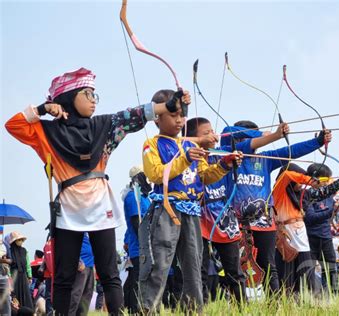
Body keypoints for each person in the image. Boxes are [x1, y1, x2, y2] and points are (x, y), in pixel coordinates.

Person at [4, 68, 191, 314]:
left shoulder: (104, 125)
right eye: (87, 94)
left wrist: (168, 105)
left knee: (109, 272)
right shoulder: (45, 131)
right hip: (68, 210)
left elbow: (134, 115)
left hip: (100, 205)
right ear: (69, 97)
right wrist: (41, 110)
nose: (93, 100)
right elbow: (13, 125)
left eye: (95, 95)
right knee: (64, 275)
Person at [139, 89, 242, 312]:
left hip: (192, 210)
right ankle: (148, 309)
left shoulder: (191, 145)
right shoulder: (152, 144)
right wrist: (184, 160)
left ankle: (194, 309)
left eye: (182, 115)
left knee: (194, 263)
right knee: (160, 262)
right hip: (168, 209)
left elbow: (204, 176)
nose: (179, 120)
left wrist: (225, 164)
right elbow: (156, 174)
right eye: (173, 115)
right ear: (157, 117)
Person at [220, 121, 332, 295]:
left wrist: (317, 142)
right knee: (235, 267)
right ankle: (238, 304)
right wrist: (263, 135)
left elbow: (291, 152)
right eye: (247, 137)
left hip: (263, 221)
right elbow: (227, 134)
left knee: (268, 266)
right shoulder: (227, 156)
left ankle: (275, 306)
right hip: (233, 221)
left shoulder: (265, 159)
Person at [185, 117, 289, 303]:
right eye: (206, 132)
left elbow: (287, 152)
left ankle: (246, 306)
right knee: (198, 268)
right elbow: (228, 130)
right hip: (198, 218)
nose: (213, 135)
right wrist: (263, 133)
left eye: (212, 131)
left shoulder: (223, 152)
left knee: (236, 270)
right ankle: (200, 308)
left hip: (225, 220)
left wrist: (317, 141)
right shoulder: (187, 153)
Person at [273, 163, 339, 294]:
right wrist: (309, 179)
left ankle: (307, 299)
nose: (301, 184)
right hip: (286, 232)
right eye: (298, 180)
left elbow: (322, 192)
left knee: (305, 269)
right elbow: (286, 174)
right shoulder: (280, 189)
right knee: (287, 271)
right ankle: (287, 300)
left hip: (300, 233)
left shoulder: (302, 194)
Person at [122, 165, 151, 313]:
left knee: (144, 282)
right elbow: (136, 223)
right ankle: (134, 310)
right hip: (139, 247)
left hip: (147, 246)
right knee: (138, 282)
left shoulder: (144, 197)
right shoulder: (133, 196)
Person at [69, 234, 95, 315]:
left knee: (87, 296)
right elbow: (70, 243)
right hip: (81, 266)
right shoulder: (77, 226)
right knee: (76, 295)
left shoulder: (89, 230)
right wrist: (78, 261)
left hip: (90, 265)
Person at [8, 231, 34, 310]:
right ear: (14, 241)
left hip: (23, 276)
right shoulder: (9, 251)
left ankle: (26, 312)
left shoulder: (24, 251)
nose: (21, 241)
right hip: (14, 277)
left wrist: (29, 276)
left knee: (25, 295)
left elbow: (27, 265)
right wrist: (9, 278)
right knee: (15, 296)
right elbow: (8, 267)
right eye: (19, 240)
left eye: (22, 240)